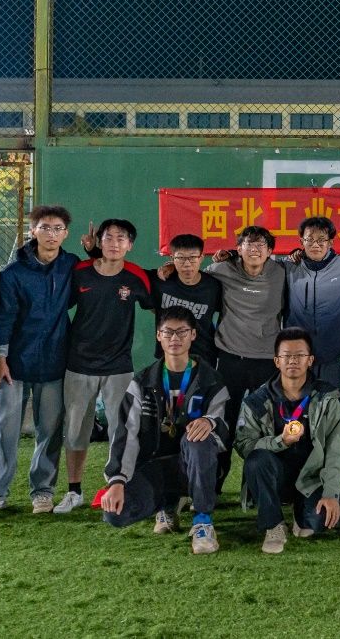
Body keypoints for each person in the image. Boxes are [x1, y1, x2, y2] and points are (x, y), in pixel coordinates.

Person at [100, 307, 230, 555]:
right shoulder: (142, 382)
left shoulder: (211, 380)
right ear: (158, 336)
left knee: (198, 439)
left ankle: (202, 521)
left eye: (182, 332)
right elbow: (126, 433)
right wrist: (117, 480)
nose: (175, 338)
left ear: (193, 335)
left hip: (192, 467)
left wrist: (210, 422)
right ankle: (167, 505)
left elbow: (224, 428)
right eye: (168, 332)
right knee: (115, 514)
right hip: (155, 467)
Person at [0, 205, 79, 517]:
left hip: (54, 363)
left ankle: (43, 492)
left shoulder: (71, 266)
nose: (51, 234)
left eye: (58, 228)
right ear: (33, 231)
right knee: (2, 431)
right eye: (45, 227)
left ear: (66, 233)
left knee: (50, 432)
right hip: (14, 366)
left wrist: (93, 249)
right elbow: (3, 317)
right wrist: (1, 358)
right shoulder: (13, 274)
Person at [57, 218, 154, 514]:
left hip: (119, 366)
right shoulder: (81, 272)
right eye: (108, 237)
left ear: (130, 245)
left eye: (121, 238)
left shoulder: (137, 276)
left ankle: (119, 486)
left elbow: (156, 303)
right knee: (75, 430)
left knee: (122, 430)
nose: (114, 243)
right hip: (79, 364)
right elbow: (61, 304)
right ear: (99, 242)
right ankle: (74, 491)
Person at [236, 327, 340, 553]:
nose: (293, 361)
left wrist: (331, 493)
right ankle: (274, 525)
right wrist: (281, 441)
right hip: (275, 477)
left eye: (299, 355)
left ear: (310, 360)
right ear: (277, 361)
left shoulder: (327, 397)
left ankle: (302, 513)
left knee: (318, 523)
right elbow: (244, 445)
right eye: (287, 356)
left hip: (311, 478)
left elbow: (336, 448)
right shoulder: (257, 400)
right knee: (256, 460)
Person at [204, 225, 286, 492]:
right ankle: (214, 485)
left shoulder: (281, 272)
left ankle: (256, 486)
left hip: (266, 361)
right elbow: (193, 278)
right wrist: (170, 268)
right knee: (224, 423)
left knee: (265, 424)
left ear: (270, 251)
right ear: (238, 248)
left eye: (261, 245)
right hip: (231, 359)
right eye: (249, 244)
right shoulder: (221, 269)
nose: (255, 249)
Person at [280, 216, 340, 391]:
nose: (315, 244)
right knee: (297, 400)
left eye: (321, 239)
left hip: (331, 350)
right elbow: (257, 262)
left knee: (329, 400)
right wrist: (231, 255)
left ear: (331, 242)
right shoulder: (289, 266)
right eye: (310, 239)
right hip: (297, 351)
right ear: (301, 241)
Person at [152, 234, 221, 365]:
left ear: (201, 258)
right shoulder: (161, 281)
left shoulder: (214, 286)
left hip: (203, 357)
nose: (187, 264)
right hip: (168, 356)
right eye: (181, 258)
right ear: (172, 258)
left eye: (193, 257)